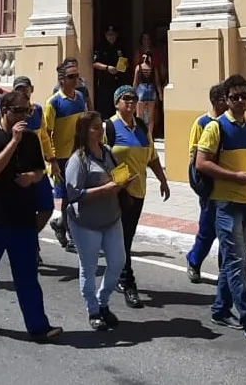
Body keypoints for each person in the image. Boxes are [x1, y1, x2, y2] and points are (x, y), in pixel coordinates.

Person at [0, 90, 63, 341]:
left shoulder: (31, 140)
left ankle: (38, 326)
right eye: (19, 111)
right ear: (5, 111)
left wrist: (32, 177)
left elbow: (40, 170)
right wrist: (13, 141)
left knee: (28, 276)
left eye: (27, 111)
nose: (24, 115)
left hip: (22, 216)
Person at [195, 75, 246, 341]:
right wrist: (234, 176)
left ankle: (220, 308)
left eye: (244, 96)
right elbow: (202, 163)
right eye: (235, 96)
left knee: (232, 260)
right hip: (225, 204)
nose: (240, 101)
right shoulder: (216, 128)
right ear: (225, 100)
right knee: (237, 262)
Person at [65, 111, 131, 331]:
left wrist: (122, 183)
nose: (100, 130)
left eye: (100, 126)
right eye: (94, 127)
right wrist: (105, 189)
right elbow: (73, 194)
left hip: (111, 218)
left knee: (117, 263)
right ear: (84, 132)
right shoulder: (78, 160)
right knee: (89, 268)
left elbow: (116, 177)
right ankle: (93, 309)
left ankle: (103, 301)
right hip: (86, 223)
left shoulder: (108, 153)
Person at [105, 85, 169, 309]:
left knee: (125, 237)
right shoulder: (109, 127)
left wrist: (162, 179)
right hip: (117, 192)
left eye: (134, 98)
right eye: (126, 99)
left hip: (138, 191)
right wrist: (117, 182)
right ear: (117, 103)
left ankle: (116, 272)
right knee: (123, 238)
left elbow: (151, 157)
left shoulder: (142, 127)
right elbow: (102, 158)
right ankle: (127, 282)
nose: (131, 102)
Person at [10, 76, 57, 264]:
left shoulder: (37, 110)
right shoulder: (11, 111)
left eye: (25, 88)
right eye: (18, 89)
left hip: (39, 168)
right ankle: (31, 248)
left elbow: (44, 136)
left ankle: (25, 237)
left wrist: (52, 159)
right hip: (20, 168)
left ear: (31, 89)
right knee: (27, 211)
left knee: (47, 207)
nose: (22, 92)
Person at [186, 84, 229, 283]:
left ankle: (225, 270)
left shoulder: (230, 123)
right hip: (210, 187)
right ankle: (194, 261)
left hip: (228, 185)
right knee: (207, 229)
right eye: (224, 99)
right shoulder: (202, 123)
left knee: (227, 231)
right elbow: (194, 156)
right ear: (215, 101)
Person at [46, 58, 89, 253]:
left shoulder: (80, 98)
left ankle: (62, 224)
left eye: (77, 76)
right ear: (62, 80)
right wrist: (52, 159)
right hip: (62, 158)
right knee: (67, 198)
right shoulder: (53, 103)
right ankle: (72, 236)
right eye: (71, 77)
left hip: (79, 154)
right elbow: (46, 133)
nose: (75, 80)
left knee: (78, 196)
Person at [92, 25, 128, 119]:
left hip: (118, 82)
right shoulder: (100, 47)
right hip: (104, 83)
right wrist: (107, 68)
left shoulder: (120, 47)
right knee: (105, 108)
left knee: (117, 107)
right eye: (109, 35)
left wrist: (124, 65)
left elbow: (125, 61)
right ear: (105, 35)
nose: (111, 37)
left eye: (113, 34)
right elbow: (94, 63)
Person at [133, 51, 163, 134]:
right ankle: (149, 135)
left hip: (141, 91)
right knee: (151, 117)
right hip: (151, 90)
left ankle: (141, 134)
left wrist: (133, 92)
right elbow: (157, 82)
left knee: (139, 116)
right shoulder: (154, 67)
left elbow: (135, 82)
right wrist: (160, 94)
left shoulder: (138, 67)